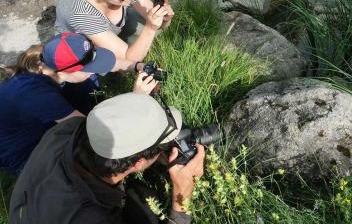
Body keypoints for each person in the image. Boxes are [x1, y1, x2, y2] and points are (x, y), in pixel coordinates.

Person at [9, 92, 205, 224]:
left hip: (32, 205)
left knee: (140, 197)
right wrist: (182, 194)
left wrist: (153, 153)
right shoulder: (92, 217)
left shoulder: (65, 131)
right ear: (138, 163)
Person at [0, 33, 158, 175]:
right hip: (25, 155)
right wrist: (136, 99)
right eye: (89, 69)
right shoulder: (38, 96)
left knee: (87, 82)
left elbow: (106, 62)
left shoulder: (50, 58)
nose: (95, 70)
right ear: (62, 72)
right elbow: (96, 133)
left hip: (38, 122)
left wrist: (137, 66)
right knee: (98, 155)